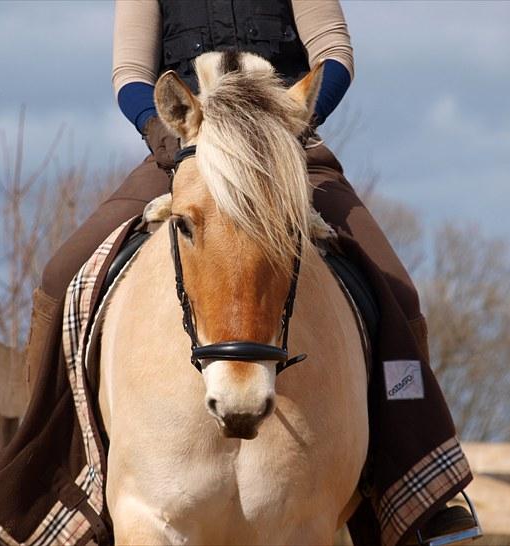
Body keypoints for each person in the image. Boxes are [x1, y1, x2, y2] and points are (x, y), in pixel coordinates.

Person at [24, 1, 477, 544]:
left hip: (285, 147)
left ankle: (413, 487)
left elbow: (334, 52)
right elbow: (131, 74)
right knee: (60, 278)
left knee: (395, 289)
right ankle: (45, 476)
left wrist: (288, 120)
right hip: (189, 147)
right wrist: (161, 131)